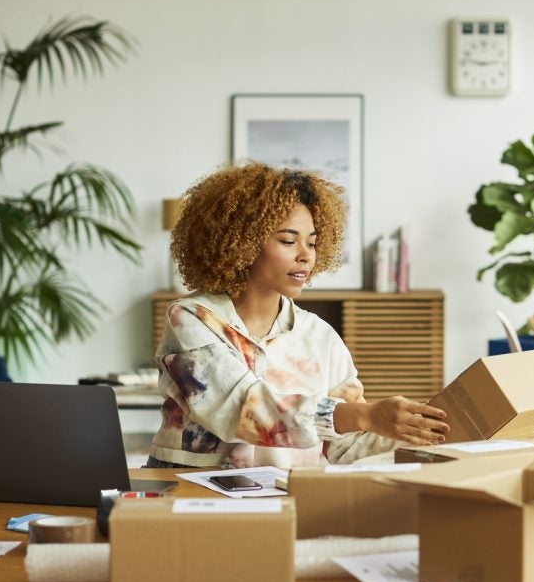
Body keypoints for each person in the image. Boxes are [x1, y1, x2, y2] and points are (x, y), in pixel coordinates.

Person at [146, 161, 449, 469]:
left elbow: (345, 444)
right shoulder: (192, 317)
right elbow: (241, 409)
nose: (306, 255)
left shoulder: (321, 337)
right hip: (192, 494)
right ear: (243, 244)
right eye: (288, 241)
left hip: (285, 495)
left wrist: (422, 428)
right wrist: (366, 415)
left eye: (313, 242)